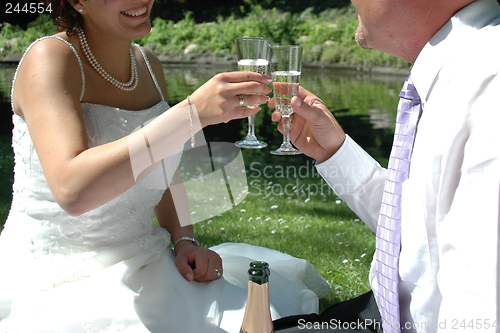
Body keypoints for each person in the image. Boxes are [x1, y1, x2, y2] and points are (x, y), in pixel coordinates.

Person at [0, 0, 331, 331]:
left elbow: (162, 169)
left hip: (147, 259)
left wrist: (185, 240)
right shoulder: (49, 58)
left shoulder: (148, 66)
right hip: (59, 275)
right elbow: (73, 190)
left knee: (259, 317)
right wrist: (190, 114)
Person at [271, 0, 500, 332]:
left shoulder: (487, 88)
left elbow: (481, 309)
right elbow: (420, 230)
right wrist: (335, 151)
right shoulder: (459, 70)